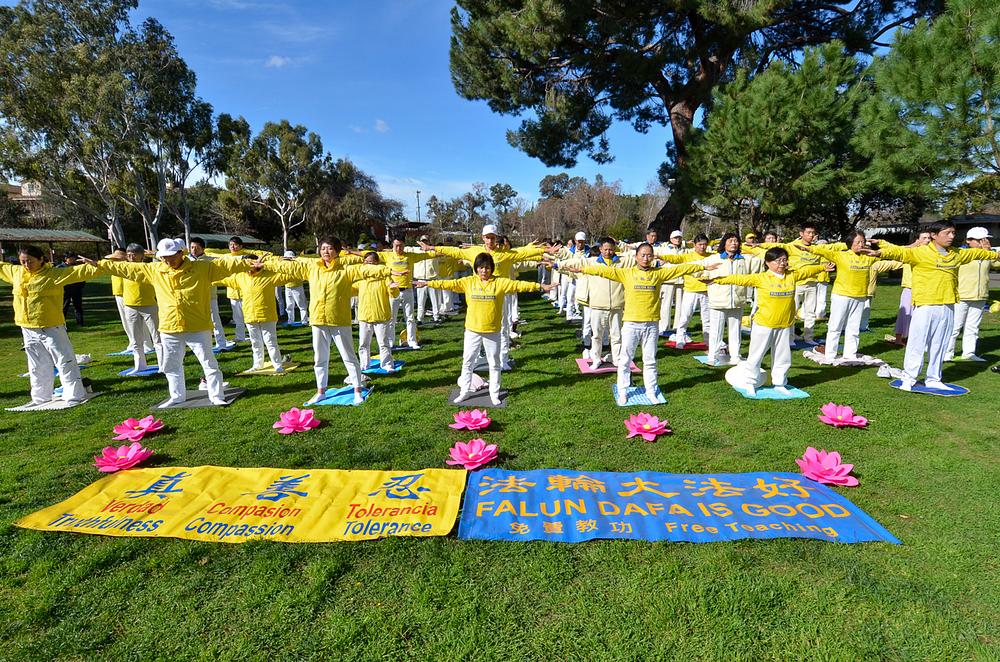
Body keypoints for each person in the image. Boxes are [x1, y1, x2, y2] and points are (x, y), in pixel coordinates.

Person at [99, 238, 255, 407]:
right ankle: (177, 396)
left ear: (181, 253)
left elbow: (226, 265)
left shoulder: (202, 268)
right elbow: (125, 268)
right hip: (170, 327)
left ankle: (216, 395)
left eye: (171, 257)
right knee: (171, 365)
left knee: (209, 363)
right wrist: (99, 264)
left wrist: (248, 262)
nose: (168, 261)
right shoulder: (155, 270)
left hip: (197, 325)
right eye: (164, 257)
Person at [564, 244, 710, 405]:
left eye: (649, 255)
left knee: (650, 360)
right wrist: (583, 270)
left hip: (651, 324)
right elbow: (604, 271)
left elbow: (681, 269)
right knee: (625, 360)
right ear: (636, 257)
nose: (646, 258)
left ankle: (651, 391)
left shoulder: (658, 273)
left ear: (653, 257)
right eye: (642, 255)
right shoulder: (627, 273)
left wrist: (703, 266)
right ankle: (623, 391)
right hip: (631, 323)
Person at [870, 221, 1000, 390]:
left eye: (953, 233)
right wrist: (879, 252)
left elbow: (978, 254)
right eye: (947, 233)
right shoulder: (920, 252)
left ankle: (934, 379)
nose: (952, 236)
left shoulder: (957, 254)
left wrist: (992, 253)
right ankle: (909, 378)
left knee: (940, 344)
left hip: (948, 305)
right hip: (926, 305)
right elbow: (899, 252)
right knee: (917, 343)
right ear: (933, 235)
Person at [416, 252, 556, 405]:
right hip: (472, 330)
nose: (484, 271)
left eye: (487, 268)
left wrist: (540, 286)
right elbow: (448, 284)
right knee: (468, 361)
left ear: (492, 269)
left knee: (494, 363)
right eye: (481, 267)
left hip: (492, 331)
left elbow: (520, 285)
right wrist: (427, 284)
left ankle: (494, 394)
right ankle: (464, 391)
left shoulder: (500, 283)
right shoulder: (468, 282)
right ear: (476, 268)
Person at [265, 236, 390, 405]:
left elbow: (366, 270)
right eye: (323, 248)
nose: (326, 251)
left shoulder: (345, 270)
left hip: (339, 320)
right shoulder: (312, 268)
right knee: (320, 358)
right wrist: (265, 264)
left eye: (330, 248)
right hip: (318, 320)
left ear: (337, 252)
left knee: (348, 357)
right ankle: (320, 391)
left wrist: (389, 271)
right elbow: (288, 266)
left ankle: (357, 390)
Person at [420, 226, 557, 369]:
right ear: (483, 238)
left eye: (492, 237)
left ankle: (503, 359)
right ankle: (479, 356)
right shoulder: (475, 252)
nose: (490, 240)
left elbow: (522, 252)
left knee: (503, 327)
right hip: (477, 297)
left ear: (496, 238)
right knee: (475, 328)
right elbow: (455, 251)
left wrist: (544, 250)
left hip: (498, 296)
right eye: (487, 237)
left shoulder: (504, 254)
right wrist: (432, 247)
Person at [706, 248, 829, 396]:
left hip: (785, 324)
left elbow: (807, 271)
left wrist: (823, 267)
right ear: (768, 263)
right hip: (764, 324)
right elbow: (739, 279)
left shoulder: (792, 275)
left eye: (784, 260)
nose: (782, 263)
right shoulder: (761, 278)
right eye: (778, 260)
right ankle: (750, 382)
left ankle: (780, 383)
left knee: (783, 357)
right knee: (756, 355)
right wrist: (717, 280)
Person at [1, 245, 102, 404]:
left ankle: (74, 395)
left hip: (52, 326)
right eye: (23, 261)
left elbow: (79, 272)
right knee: (37, 365)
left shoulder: (54, 274)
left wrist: (96, 265)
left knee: (64, 361)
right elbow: (2, 267)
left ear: (41, 259)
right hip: (27, 327)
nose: (26, 265)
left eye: (30, 261)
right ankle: (40, 397)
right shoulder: (16, 272)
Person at [799, 232, 887, 362]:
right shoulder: (841, 255)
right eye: (857, 242)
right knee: (835, 326)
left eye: (863, 242)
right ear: (850, 243)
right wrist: (807, 248)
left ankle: (850, 354)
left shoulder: (868, 257)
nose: (861, 245)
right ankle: (830, 354)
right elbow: (822, 251)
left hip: (860, 296)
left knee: (854, 327)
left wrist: (880, 244)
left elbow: (887, 254)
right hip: (841, 295)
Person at [555, 237, 633, 370]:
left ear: (614, 249)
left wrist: (658, 262)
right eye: (605, 249)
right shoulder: (592, 261)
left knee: (616, 335)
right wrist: (558, 265)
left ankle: (617, 359)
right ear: (600, 249)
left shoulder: (623, 261)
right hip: (597, 305)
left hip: (617, 305)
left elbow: (639, 258)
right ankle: (596, 359)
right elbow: (577, 262)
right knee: (597, 335)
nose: (608, 252)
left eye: (611, 249)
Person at [218, 259, 298, 373]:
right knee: (255, 342)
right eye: (247, 264)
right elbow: (221, 279)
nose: (249, 266)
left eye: (252, 263)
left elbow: (291, 274)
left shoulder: (269, 275)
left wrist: (274, 262)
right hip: (250, 315)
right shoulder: (240, 277)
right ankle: (257, 365)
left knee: (270, 341)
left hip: (267, 315)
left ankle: (277, 365)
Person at [701, 232, 763, 365]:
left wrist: (751, 249)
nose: (733, 244)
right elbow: (699, 270)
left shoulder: (745, 259)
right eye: (730, 241)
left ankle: (735, 355)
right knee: (716, 331)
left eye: (736, 241)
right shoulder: (714, 258)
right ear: (724, 243)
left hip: (737, 300)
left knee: (735, 331)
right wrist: (706, 279)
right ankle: (712, 355)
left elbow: (760, 263)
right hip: (718, 300)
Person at [363, 237, 436, 349]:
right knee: (391, 318)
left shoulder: (410, 256)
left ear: (404, 245)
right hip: (392, 292)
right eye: (396, 245)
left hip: (407, 290)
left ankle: (412, 341)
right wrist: (348, 252)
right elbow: (365, 254)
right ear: (392, 245)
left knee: (410, 317)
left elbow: (429, 255)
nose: (398, 248)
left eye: (401, 246)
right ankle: (390, 342)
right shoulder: (387, 255)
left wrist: (444, 251)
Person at [945, 227, 999, 362]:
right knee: (955, 326)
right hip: (961, 296)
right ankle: (947, 353)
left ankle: (969, 353)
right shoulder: (961, 253)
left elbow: (997, 263)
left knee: (973, 327)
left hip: (980, 296)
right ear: (969, 241)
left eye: (985, 240)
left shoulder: (988, 254)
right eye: (980, 240)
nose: (984, 243)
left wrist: (989, 251)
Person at [120, 243, 164, 374]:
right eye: (129, 254)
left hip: (149, 305)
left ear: (141, 255)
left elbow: (163, 261)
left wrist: (154, 254)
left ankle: (163, 365)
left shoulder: (149, 267)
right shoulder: (124, 267)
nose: (131, 257)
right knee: (136, 339)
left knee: (157, 337)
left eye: (134, 254)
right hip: (130, 306)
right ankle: (140, 365)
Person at [356, 251, 399, 372]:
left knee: (383, 343)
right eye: (366, 262)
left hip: (381, 315)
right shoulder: (361, 277)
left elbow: (394, 294)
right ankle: (364, 365)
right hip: (364, 315)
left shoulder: (385, 277)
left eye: (370, 262)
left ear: (377, 263)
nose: (368, 265)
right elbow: (351, 290)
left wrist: (393, 289)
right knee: (363, 343)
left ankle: (387, 364)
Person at [187, 237, 233, 350]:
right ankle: (199, 345)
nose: (194, 250)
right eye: (192, 247)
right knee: (195, 321)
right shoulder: (185, 261)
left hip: (209, 296)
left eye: (197, 248)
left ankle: (221, 343)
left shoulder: (211, 260)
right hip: (192, 297)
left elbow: (227, 261)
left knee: (215, 320)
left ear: (203, 249)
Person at [668, 233, 713, 348]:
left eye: (704, 244)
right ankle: (680, 339)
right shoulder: (688, 256)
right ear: (694, 244)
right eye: (700, 244)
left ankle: (709, 341)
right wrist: (660, 257)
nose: (702, 247)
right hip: (691, 291)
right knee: (685, 317)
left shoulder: (712, 256)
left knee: (707, 319)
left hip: (706, 291)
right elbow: (675, 259)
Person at [890, 230, 931, 344]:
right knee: (905, 313)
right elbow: (899, 251)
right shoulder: (910, 251)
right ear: (917, 239)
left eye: (929, 238)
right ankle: (899, 338)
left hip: (924, 288)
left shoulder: (931, 252)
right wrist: (915, 245)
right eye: (924, 238)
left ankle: (916, 339)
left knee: (922, 315)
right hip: (910, 287)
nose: (927, 240)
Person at [412, 236, 442, 323]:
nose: (424, 243)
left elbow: (443, 253)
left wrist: (431, 248)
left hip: (432, 279)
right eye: (423, 241)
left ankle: (436, 317)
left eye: (426, 241)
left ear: (429, 241)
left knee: (435, 301)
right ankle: (419, 318)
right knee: (420, 301)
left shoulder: (434, 251)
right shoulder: (416, 251)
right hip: (420, 280)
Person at [282, 250, 309, 324]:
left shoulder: (298, 265)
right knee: (289, 305)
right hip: (287, 287)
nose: (288, 260)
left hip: (297, 287)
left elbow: (303, 273)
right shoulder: (284, 266)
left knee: (301, 305)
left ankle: (304, 321)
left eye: (289, 258)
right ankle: (290, 321)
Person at [59, 252, 86, 326]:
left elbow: (82, 276)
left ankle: (80, 323)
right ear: (66, 259)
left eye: (74, 258)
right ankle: (62, 324)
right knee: (64, 307)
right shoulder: (60, 268)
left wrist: (81, 285)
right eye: (71, 258)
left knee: (78, 307)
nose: (73, 259)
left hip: (77, 290)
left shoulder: (77, 267)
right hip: (65, 290)